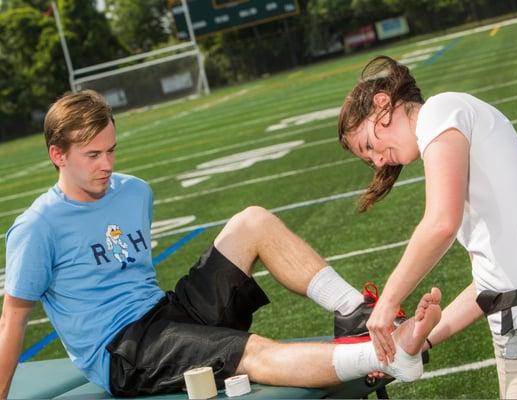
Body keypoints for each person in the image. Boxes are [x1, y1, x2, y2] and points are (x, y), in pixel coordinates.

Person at [0, 90, 442, 398]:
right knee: (248, 353)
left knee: (253, 221)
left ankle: (357, 314)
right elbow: (12, 324)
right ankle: (387, 353)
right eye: (93, 156)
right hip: (123, 351)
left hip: (165, 313)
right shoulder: (37, 226)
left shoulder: (134, 191)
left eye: (112, 150)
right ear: (57, 154)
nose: (108, 165)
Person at [337, 55, 517, 399]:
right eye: (370, 160)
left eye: (369, 145)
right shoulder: (456, 123)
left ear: (382, 104)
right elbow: (488, 288)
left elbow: (441, 223)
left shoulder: (439, 111)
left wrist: (387, 304)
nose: (380, 160)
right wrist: (416, 341)